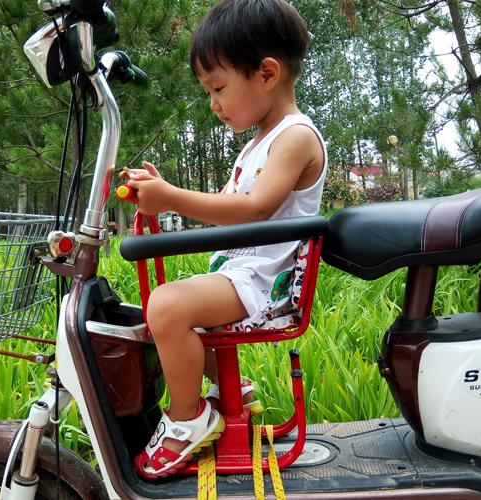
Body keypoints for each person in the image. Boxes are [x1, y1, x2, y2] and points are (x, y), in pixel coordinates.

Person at [122, 0, 328, 479]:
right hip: (242, 275)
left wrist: (171, 198)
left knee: (168, 307)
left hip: (264, 284)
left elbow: (254, 209)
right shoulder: (259, 142)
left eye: (218, 88)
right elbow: (225, 208)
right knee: (164, 311)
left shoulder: (294, 137)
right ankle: (234, 394)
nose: (213, 103)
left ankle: (188, 419)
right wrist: (163, 190)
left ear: (267, 73)